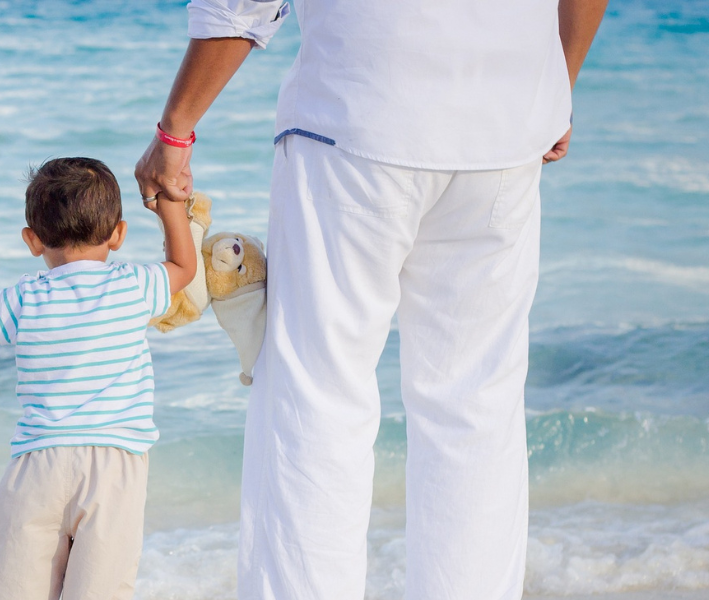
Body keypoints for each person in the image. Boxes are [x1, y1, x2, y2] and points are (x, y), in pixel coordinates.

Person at [134, 0, 607, 598]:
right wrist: (557, 85)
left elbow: (242, 8)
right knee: (475, 405)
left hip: (357, 115)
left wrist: (175, 129)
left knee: (317, 395)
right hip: (506, 127)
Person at [0, 157, 197, 599]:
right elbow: (184, 266)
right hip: (115, 464)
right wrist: (167, 202)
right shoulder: (135, 285)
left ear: (33, 240)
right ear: (118, 234)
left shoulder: (26, 297)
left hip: (38, 463)